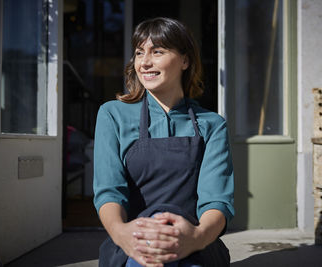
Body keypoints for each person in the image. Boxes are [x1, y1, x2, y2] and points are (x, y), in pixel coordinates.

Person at [93, 17, 234, 267]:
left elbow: (216, 201)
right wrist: (122, 234)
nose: (145, 62)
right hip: (132, 242)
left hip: (196, 242)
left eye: (157, 52)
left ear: (185, 60)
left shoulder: (212, 124)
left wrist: (197, 238)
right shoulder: (112, 115)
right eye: (139, 53)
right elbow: (109, 190)